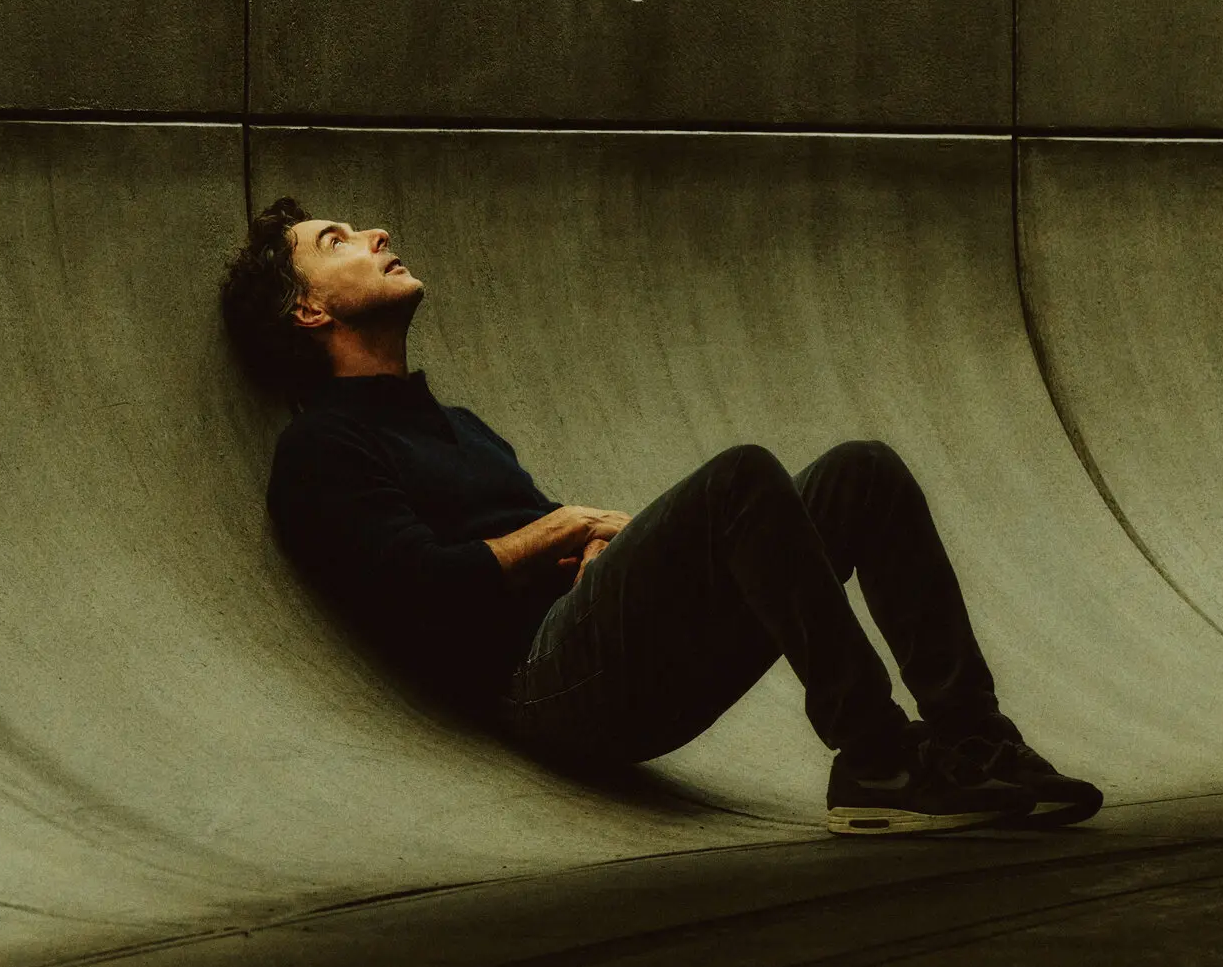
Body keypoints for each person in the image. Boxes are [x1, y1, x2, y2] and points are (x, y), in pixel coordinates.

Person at [219, 196, 1102, 834]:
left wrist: (595, 553)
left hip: (603, 652)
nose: (376, 232)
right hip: (543, 690)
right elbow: (423, 587)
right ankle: (876, 759)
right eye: (337, 239)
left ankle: (973, 739)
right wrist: (565, 527)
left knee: (861, 473)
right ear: (308, 308)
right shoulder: (321, 453)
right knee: (742, 477)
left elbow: (529, 555)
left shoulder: (457, 427)